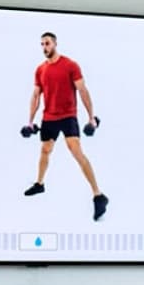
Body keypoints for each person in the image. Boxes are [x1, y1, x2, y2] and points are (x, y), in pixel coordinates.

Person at [23, 32, 108, 220]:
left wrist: (91, 117)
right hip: (49, 117)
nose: (44, 47)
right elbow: (36, 96)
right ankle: (39, 184)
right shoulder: (40, 70)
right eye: (42, 44)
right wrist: (30, 121)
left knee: (76, 151)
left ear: (55, 44)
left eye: (47, 43)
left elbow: (83, 90)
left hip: (68, 116)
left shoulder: (70, 65)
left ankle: (98, 195)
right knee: (45, 150)